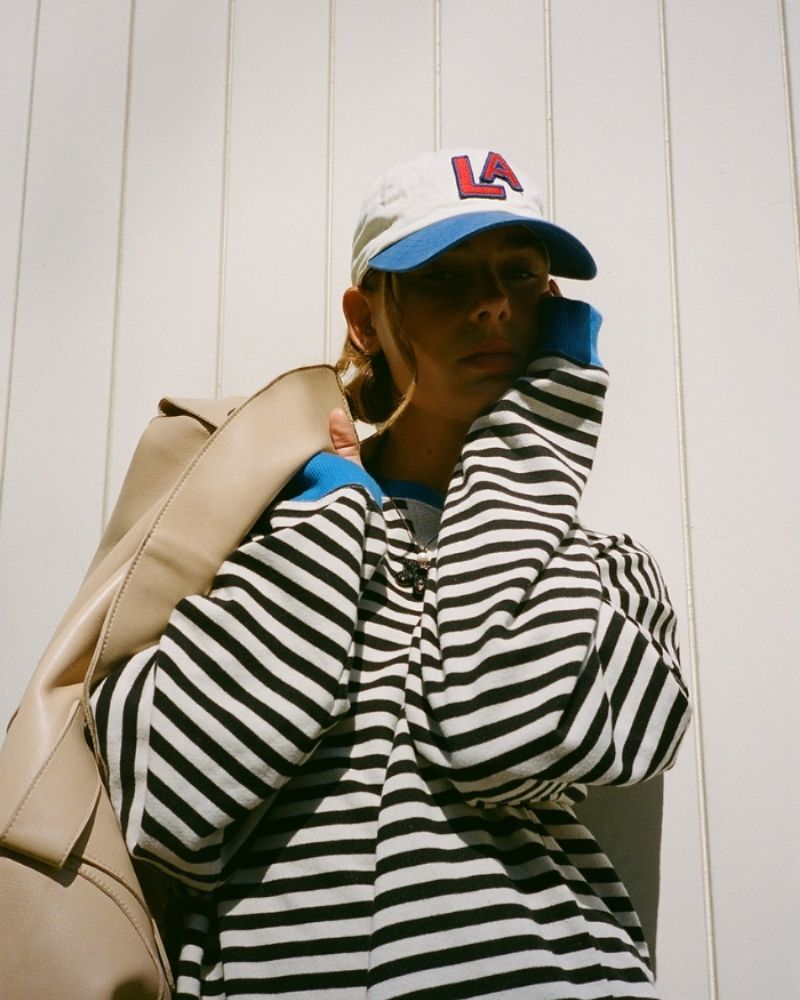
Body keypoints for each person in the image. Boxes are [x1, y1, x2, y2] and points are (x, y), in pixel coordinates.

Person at [90, 147, 691, 999]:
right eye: (445, 277)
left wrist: (538, 434)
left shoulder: (609, 575)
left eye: (521, 276)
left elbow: (499, 730)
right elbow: (163, 801)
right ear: (365, 318)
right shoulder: (243, 536)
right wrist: (329, 514)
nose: (492, 303)